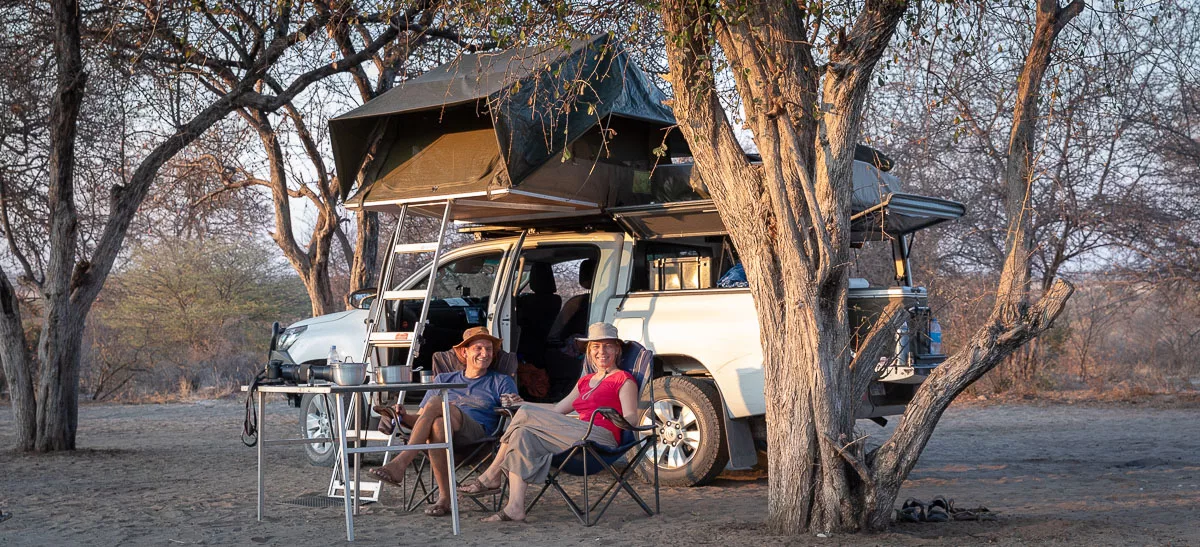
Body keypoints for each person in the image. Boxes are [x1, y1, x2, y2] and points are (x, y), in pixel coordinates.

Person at [458, 322, 639, 522]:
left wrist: (615, 416)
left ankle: (491, 474)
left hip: (600, 439)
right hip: (578, 437)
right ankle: (515, 508)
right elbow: (556, 409)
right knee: (521, 434)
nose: (601, 351)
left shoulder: (623, 379)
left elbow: (631, 417)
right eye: (596, 346)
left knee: (524, 415)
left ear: (617, 349)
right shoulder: (585, 381)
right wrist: (523, 403)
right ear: (589, 351)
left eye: (607, 346)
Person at [367, 327, 517, 517]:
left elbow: (515, 411)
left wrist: (513, 403)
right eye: (478, 348)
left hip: (478, 437)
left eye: (489, 349)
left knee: (438, 402)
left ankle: (400, 463)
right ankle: (445, 499)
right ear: (465, 352)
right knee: (437, 424)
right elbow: (422, 419)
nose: (485, 354)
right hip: (444, 437)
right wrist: (403, 417)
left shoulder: (500, 381)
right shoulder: (444, 379)